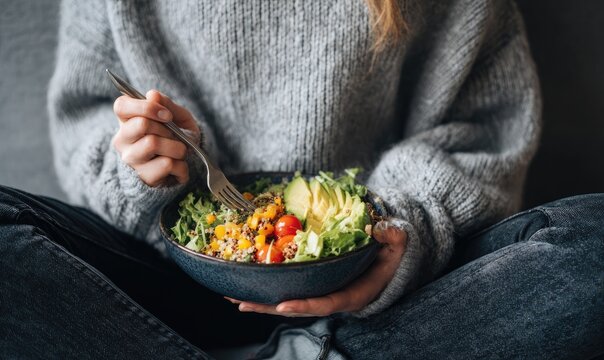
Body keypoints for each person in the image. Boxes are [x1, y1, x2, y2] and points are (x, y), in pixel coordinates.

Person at [1, 0, 603, 358]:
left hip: (388, 301)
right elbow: (85, 118)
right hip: (173, 284)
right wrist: (137, 164)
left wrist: (407, 227)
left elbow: (483, 129)